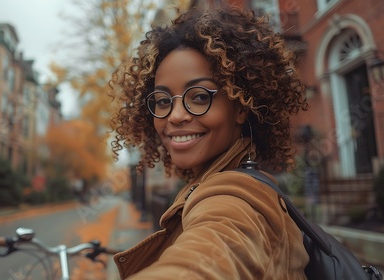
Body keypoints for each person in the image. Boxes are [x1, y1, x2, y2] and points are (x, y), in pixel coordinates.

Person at [108, 3, 309, 279]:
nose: (175, 116)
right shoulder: (220, 181)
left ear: (240, 107)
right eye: (163, 101)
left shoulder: (237, 201)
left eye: (200, 96)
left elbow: (206, 256)